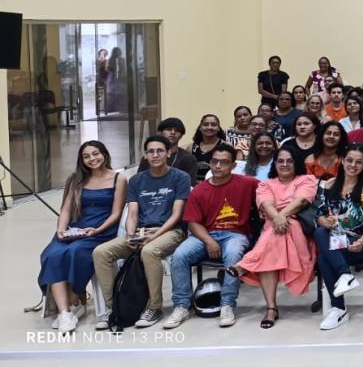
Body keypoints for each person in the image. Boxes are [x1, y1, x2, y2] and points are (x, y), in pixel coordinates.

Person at [93, 136, 190, 329]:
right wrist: (131, 235)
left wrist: (155, 235)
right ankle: (115, 307)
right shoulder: (137, 180)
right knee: (101, 252)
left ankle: (154, 307)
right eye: (151, 151)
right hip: (141, 232)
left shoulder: (180, 177)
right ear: (145, 155)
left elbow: (177, 215)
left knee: (149, 251)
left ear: (168, 153)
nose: (155, 155)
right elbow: (132, 214)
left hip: (171, 231)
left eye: (160, 151)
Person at [164, 144, 259, 329]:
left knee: (233, 254)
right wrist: (209, 241)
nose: (218, 166)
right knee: (179, 256)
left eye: (224, 162)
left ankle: (227, 304)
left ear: (233, 165)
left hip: (235, 234)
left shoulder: (247, 183)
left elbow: (270, 191)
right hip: (205, 234)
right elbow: (193, 223)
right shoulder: (199, 190)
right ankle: (182, 305)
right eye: (214, 161)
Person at [39, 141, 126, 332]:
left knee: (75, 251)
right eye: (86, 156)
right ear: (81, 160)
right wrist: (61, 230)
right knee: (52, 255)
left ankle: (76, 300)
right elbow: (66, 209)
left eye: (96, 154)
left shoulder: (118, 178)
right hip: (76, 229)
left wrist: (97, 230)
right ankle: (64, 313)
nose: (92, 159)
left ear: (104, 154)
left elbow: (116, 213)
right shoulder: (76, 179)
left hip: (102, 230)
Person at [231, 147, 318, 329]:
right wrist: (278, 218)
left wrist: (280, 217)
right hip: (274, 230)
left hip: (299, 232)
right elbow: (266, 205)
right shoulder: (265, 185)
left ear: (296, 163)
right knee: (273, 243)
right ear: (275, 164)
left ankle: (248, 266)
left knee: (283, 229)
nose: (284, 164)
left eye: (289, 161)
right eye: (280, 161)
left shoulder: (306, 180)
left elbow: (301, 201)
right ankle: (271, 306)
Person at [311, 143, 363, 330]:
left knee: (324, 257)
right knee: (321, 232)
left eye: (359, 162)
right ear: (342, 161)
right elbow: (319, 215)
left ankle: (339, 309)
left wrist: (361, 240)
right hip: (336, 238)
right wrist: (325, 221)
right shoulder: (329, 185)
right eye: (349, 160)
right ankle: (344, 274)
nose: (353, 165)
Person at [142, 118, 200, 185]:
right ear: (160, 133)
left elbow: (189, 184)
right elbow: (140, 182)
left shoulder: (188, 158)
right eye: (168, 129)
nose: (173, 132)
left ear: (181, 136)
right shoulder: (150, 156)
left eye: (177, 130)